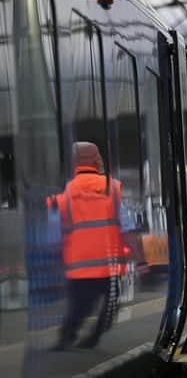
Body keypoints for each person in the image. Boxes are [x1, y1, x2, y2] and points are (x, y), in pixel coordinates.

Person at [48, 142, 137, 350]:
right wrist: (138, 255)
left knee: (79, 306)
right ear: (96, 160)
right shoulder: (113, 188)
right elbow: (127, 227)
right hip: (110, 265)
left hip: (79, 268)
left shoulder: (67, 194)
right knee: (111, 304)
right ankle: (94, 336)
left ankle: (66, 338)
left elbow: (55, 227)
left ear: (74, 163)